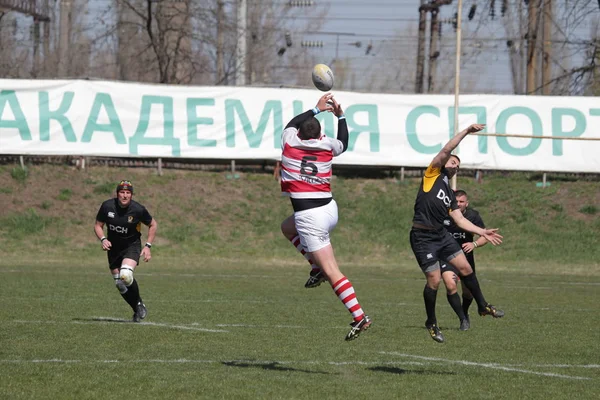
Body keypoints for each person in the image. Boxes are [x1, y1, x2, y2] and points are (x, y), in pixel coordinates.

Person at [279, 92, 372, 341]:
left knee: (333, 271)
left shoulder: (289, 141)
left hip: (310, 216)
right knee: (287, 228)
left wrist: (316, 109)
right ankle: (314, 267)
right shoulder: (327, 145)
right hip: (329, 209)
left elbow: (291, 123)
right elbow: (344, 142)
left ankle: (359, 315)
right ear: (320, 134)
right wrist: (341, 116)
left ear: (299, 133)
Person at [409, 124, 504, 344]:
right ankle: (431, 322)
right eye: (453, 161)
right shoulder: (432, 173)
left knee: (466, 268)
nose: (455, 166)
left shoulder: (450, 194)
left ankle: (482, 306)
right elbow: (445, 151)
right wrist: (466, 132)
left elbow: (459, 219)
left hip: (441, 235)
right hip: (422, 237)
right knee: (434, 281)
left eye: (458, 165)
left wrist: (483, 231)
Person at [94, 180, 158, 322]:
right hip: (114, 249)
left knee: (126, 275)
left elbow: (153, 224)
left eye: (128, 193)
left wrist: (148, 246)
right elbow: (98, 225)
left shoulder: (138, 210)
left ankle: (139, 303)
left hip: (132, 246)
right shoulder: (107, 206)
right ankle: (137, 309)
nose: (124, 195)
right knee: (120, 285)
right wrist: (103, 239)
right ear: (117, 194)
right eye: (122, 192)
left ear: (131, 195)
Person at [440, 189, 489, 331]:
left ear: (466, 203)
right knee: (450, 284)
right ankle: (462, 319)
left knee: (468, 292)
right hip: (447, 258)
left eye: (462, 202)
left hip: (466, 259)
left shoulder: (473, 216)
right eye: (456, 202)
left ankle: (465, 311)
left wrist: (473, 244)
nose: (459, 204)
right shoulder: (444, 214)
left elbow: (485, 236)